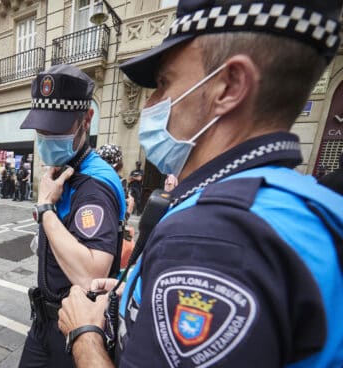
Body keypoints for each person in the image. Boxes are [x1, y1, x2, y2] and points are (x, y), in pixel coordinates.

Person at [58, 0, 343, 367]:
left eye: (164, 83)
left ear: (230, 86)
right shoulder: (303, 202)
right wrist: (133, 297)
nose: (151, 104)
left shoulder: (210, 236)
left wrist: (84, 335)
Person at [18, 64, 126, 367]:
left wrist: (45, 209)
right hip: (45, 320)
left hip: (77, 327)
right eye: (42, 128)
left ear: (86, 120)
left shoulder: (94, 185)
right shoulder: (65, 169)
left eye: (58, 128)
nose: (47, 137)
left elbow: (91, 273)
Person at [96, 144, 135, 266]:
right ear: (118, 164)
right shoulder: (119, 182)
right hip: (111, 239)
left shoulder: (88, 179)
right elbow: (121, 214)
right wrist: (128, 212)